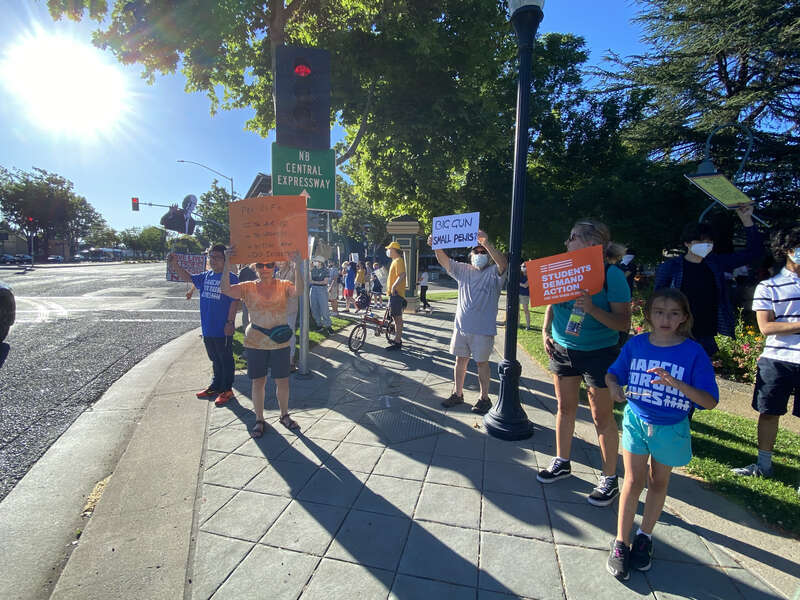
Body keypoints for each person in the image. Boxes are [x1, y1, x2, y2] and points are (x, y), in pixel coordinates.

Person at [605, 288, 718, 580]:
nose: (666, 318)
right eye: (659, 312)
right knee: (631, 480)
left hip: (670, 426)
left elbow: (709, 401)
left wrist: (676, 384)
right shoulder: (637, 344)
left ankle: (645, 535)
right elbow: (613, 373)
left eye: (673, 313)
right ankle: (621, 541)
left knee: (658, 482)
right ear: (649, 315)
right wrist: (615, 387)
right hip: (636, 420)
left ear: (684, 317)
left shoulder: (693, 352)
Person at [539, 219, 631, 507]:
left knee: (601, 417)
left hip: (598, 352)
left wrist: (591, 309)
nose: (567, 242)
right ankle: (562, 461)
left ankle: (609, 478)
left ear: (594, 244)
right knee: (564, 408)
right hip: (564, 349)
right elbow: (553, 303)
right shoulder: (563, 268)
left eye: (573, 237)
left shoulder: (611, 275)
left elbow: (623, 323)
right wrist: (545, 330)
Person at [731, 226, 800, 480]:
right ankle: (763, 465)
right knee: (769, 412)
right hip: (777, 359)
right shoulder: (768, 287)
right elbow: (766, 327)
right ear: (788, 251)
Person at [654, 205, 762, 357]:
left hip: (706, 334)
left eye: (709, 242)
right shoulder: (671, 267)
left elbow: (754, 252)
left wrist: (747, 220)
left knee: (700, 378)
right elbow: (656, 300)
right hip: (676, 331)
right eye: (700, 241)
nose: (705, 245)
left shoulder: (715, 264)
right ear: (687, 243)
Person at [220, 250, 303, 437]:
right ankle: (259, 419)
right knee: (258, 382)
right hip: (256, 341)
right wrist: (226, 263)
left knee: (283, 382)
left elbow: (299, 291)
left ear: (275, 267)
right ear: (254, 267)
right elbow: (225, 289)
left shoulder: (283, 285)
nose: (265, 269)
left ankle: (284, 415)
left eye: (269, 265)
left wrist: (298, 265)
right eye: (260, 265)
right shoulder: (247, 286)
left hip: (280, 342)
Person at [429, 230, 507, 414]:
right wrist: (436, 246)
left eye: (483, 252)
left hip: (482, 329)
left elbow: (503, 263)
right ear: (470, 255)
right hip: (461, 327)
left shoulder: (494, 272)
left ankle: (484, 398)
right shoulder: (463, 270)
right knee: (460, 361)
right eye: (476, 251)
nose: (480, 255)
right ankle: (457, 393)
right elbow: (444, 261)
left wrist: (487, 243)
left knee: (482, 363)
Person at [167, 244, 240, 406]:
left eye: (217, 257)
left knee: (225, 358)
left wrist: (230, 323)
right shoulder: (206, 276)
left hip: (223, 328)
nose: (213, 260)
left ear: (225, 259)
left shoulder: (231, 278)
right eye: (211, 257)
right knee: (214, 358)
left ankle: (227, 389)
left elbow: (234, 302)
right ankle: (215, 386)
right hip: (208, 327)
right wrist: (174, 264)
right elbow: (188, 277)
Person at [276, 261, 299, 373]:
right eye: (277, 260)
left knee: (290, 334)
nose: (279, 262)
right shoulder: (277, 273)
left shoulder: (293, 270)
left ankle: (291, 361)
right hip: (279, 308)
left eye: (281, 260)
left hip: (290, 307)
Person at [386, 241, 406, 350]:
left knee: (397, 318)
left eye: (389, 249)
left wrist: (393, 286)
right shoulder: (395, 261)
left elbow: (402, 274)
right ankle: (397, 339)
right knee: (395, 317)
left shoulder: (398, 260)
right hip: (393, 294)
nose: (388, 251)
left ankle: (398, 341)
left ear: (394, 250)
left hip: (396, 294)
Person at [310, 256, 333, 334]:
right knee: (314, 307)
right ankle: (319, 324)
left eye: (316, 261)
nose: (314, 262)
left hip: (322, 290)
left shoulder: (325, 270)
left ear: (320, 262)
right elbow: (309, 279)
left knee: (324, 308)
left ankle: (328, 326)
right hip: (313, 289)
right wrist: (314, 282)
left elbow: (325, 282)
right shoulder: (313, 270)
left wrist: (314, 282)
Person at [237, 263, 258, 329]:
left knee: (245, 312)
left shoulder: (243, 271)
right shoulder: (256, 270)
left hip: (246, 294)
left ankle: (245, 327)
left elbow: (239, 282)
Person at [519, 262, 530, 330]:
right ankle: (517, 324)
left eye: (525, 266)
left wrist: (517, 283)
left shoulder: (530, 275)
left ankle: (528, 325)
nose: (524, 268)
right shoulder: (519, 274)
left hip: (525, 295)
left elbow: (525, 285)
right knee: (517, 310)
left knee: (525, 310)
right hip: (518, 294)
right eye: (523, 266)